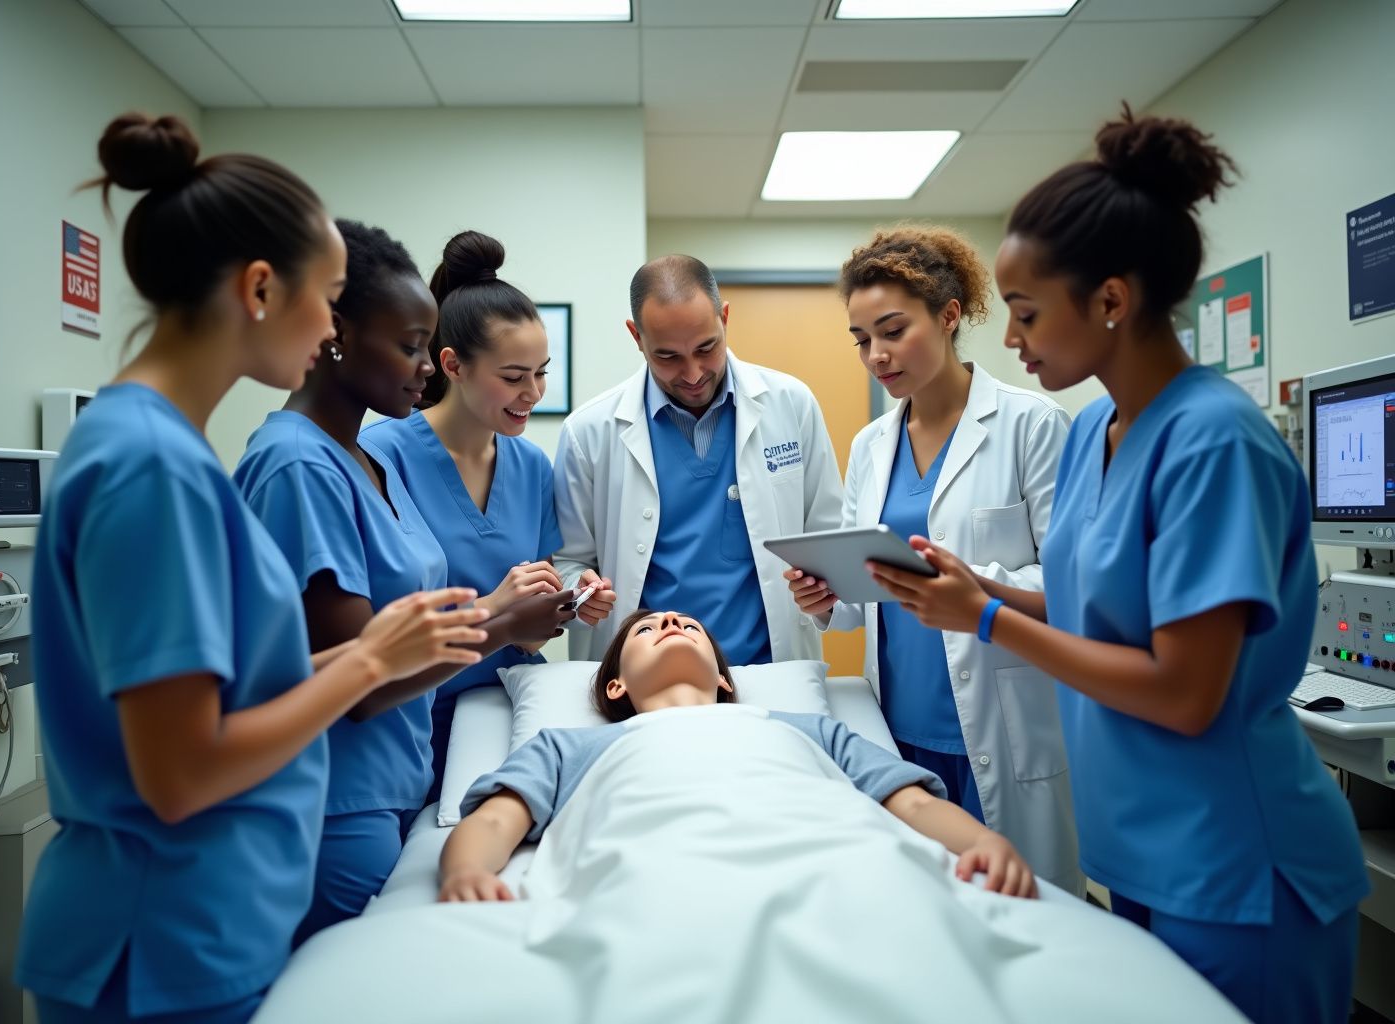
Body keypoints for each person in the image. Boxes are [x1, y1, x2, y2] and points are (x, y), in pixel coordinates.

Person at [869, 106, 1368, 1024]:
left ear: (1110, 299)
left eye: (1025, 314)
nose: (1011, 339)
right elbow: (1097, 610)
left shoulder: (1214, 441)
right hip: (1136, 851)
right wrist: (989, 591)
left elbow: (1185, 691)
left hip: (1235, 865)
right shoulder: (1098, 425)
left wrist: (984, 621)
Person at [17, 114, 487, 1024]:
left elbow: (230, 697)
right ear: (262, 289)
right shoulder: (149, 467)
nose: (333, 327)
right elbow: (181, 770)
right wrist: (367, 663)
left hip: (203, 933)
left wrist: (391, 650)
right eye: (331, 296)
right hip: (159, 949)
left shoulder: (166, 452)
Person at [234, 219, 575, 943]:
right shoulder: (300, 465)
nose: (424, 369)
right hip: (335, 799)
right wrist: (500, 622)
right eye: (412, 347)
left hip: (398, 781)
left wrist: (530, 611)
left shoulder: (361, 462)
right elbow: (355, 675)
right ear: (336, 338)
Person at [784, 225, 1080, 894]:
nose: (877, 355)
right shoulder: (870, 445)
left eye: (892, 331)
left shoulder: (1031, 424)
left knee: (1018, 914)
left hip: (1002, 729)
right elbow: (870, 594)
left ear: (949, 316)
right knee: (923, 909)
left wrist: (976, 581)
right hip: (899, 726)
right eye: (861, 340)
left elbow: (1074, 584)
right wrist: (829, 593)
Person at [441, 609, 1037, 902]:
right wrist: (466, 872)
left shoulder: (808, 730)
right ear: (615, 685)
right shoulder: (572, 746)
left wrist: (982, 842)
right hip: (652, 880)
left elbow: (908, 803)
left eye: (687, 625)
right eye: (649, 629)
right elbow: (494, 820)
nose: (671, 620)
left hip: (826, 875)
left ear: (726, 682)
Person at [362, 230, 616, 796]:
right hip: (410, 726)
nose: (534, 393)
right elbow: (367, 627)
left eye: (541, 372)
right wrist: (493, 609)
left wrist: (573, 602)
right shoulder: (381, 455)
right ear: (451, 365)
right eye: (513, 377)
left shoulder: (529, 466)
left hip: (506, 726)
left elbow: (533, 630)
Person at [553, 255, 843, 665]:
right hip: (645, 682)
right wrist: (580, 591)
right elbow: (568, 561)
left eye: (706, 348)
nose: (692, 374)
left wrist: (825, 589)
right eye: (668, 356)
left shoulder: (790, 405)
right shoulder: (588, 431)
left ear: (724, 318)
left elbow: (828, 535)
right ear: (637, 337)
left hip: (767, 669)